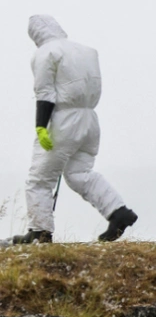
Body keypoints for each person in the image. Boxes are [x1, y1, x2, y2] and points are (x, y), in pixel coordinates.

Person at [15, 16, 137, 244]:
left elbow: (45, 93)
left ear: (35, 34)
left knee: (39, 178)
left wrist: (41, 126)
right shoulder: (87, 51)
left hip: (64, 120)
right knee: (80, 173)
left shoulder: (46, 52)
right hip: (90, 119)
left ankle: (39, 231)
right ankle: (119, 212)